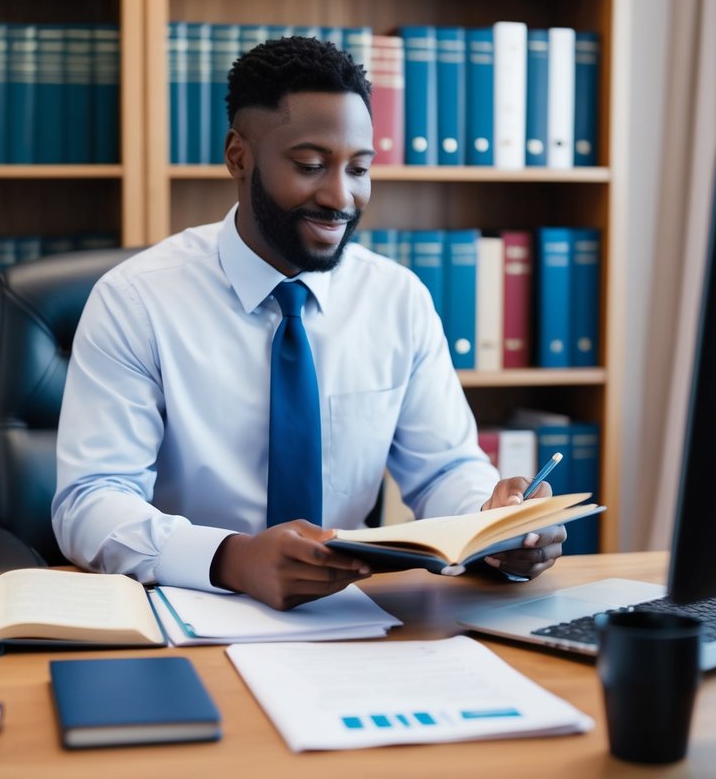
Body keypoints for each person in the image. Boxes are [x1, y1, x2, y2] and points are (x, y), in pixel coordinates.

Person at [53, 36, 566, 610]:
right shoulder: (136, 301)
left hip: (350, 617)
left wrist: (493, 527)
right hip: (185, 610)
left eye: (360, 168)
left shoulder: (397, 299)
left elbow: (443, 468)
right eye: (310, 166)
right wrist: (231, 558)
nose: (339, 196)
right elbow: (91, 501)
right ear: (238, 155)